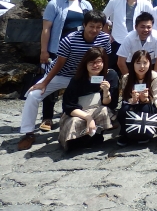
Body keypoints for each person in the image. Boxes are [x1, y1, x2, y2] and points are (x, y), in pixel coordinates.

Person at [18, 10, 112, 151]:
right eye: (91, 26)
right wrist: (44, 82)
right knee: (33, 95)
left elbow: (105, 60)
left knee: (110, 83)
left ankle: (104, 120)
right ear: (84, 24)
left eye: (99, 27)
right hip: (63, 74)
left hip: (85, 77)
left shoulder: (104, 38)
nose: (95, 30)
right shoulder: (70, 39)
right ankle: (28, 133)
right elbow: (59, 63)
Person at [38, 0, 94, 132]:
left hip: (80, 50)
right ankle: (47, 117)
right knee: (51, 80)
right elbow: (46, 28)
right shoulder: (54, 4)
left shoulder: (86, 5)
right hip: (58, 49)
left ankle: (71, 112)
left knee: (77, 81)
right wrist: (44, 50)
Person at [58, 47, 119, 151]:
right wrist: (88, 118)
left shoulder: (110, 75)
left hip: (98, 110)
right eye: (91, 62)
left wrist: (106, 92)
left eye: (98, 62)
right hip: (78, 112)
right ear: (85, 64)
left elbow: (110, 104)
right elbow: (68, 106)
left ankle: (96, 134)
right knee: (74, 123)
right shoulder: (77, 79)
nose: (95, 65)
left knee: (104, 111)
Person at [103, 0, 154, 69]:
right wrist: (107, 33)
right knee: (115, 68)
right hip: (117, 41)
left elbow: (152, 23)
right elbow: (102, 17)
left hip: (138, 41)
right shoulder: (115, 1)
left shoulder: (146, 4)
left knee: (137, 68)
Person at [116, 50, 157, 146]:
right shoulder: (126, 78)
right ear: (132, 64)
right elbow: (125, 99)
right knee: (123, 110)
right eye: (138, 63)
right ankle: (125, 134)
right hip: (132, 104)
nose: (142, 66)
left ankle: (144, 134)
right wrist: (133, 100)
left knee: (145, 108)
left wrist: (145, 99)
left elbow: (155, 98)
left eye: (145, 63)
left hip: (150, 105)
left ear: (150, 63)